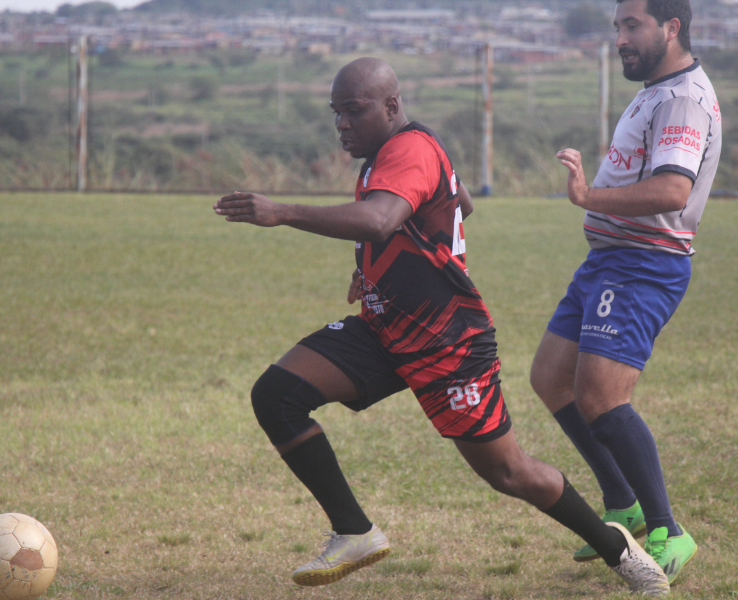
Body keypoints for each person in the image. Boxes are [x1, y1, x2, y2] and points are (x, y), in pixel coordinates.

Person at [213, 57, 670, 596]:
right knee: (277, 395)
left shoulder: (408, 149)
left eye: (354, 111)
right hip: (385, 328)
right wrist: (381, 267)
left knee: (509, 473)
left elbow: (380, 219)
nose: (342, 124)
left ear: (391, 105)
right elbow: (460, 203)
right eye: (336, 113)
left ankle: (619, 550)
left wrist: (283, 212)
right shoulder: (401, 149)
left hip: (447, 341)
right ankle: (354, 531)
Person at [529, 0, 721, 585]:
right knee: (550, 377)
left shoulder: (682, 98)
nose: (620, 39)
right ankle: (624, 504)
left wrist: (588, 197)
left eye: (632, 25)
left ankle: (668, 530)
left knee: (602, 396)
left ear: (671, 27)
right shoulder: (655, 90)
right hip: (609, 260)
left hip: (644, 263)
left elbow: (671, 190)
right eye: (618, 27)